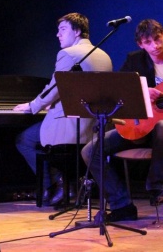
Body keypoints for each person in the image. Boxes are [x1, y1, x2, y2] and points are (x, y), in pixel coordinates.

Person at [81, 19, 163, 222]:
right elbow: (118, 91)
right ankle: (122, 205)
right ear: (140, 44)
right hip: (138, 128)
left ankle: (155, 187)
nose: (155, 45)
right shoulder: (134, 61)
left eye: (157, 39)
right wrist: (142, 91)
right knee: (90, 151)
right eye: (148, 42)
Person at [14, 12, 112, 206]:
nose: (58, 34)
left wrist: (32, 106)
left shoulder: (69, 54)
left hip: (71, 124)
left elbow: (55, 87)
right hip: (94, 127)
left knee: (24, 140)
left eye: (63, 29)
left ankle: (55, 184)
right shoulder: (104, 56)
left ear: (77, 31)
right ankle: (64, 184)